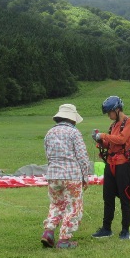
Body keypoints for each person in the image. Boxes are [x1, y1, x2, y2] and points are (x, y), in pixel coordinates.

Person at [41, 104, 90, 249]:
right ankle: (64, 239)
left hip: (53, 175)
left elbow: (48, 155)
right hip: (71, 175)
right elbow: (82, 157)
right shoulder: (74, 133)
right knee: (73, 207)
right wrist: (85, 177)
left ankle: (49, 232)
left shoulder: (49, 133)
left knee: (56, 204)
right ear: (73, 119)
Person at [91, 96, 130, 240]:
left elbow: (122, 139)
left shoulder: (129, 122)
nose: (109, 116)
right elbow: (110, 144)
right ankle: (106, 228)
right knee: (108, 197)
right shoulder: (113, 126)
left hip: (123, 165)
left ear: (117, 109)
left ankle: (125, 230)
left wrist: (104, 135)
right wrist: (100, 140)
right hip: (110, 164)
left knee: (125, 197)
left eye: (109, 112)